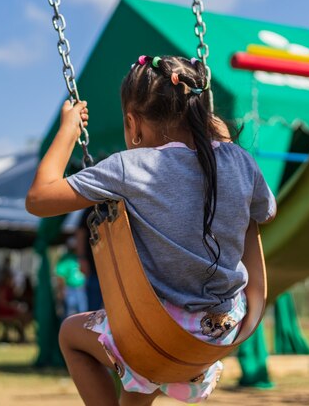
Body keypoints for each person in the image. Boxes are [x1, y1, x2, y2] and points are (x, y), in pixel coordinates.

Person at [26, 55, 276, 405]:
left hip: (156, 332)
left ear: (133, 123)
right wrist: (221, 140)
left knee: (71, 334)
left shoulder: (131, 167)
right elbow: (266, 212)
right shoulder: (240, 162)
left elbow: (38, 198)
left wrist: (68, 130)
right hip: (221, 330)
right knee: (138, 382)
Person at [55, 236, 87, 317]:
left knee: (84, 314)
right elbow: (60, 275)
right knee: (71, 315)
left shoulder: (81, 257)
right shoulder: (65, 259)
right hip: (70, 289)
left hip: (82, 288)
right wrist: (62, 290)